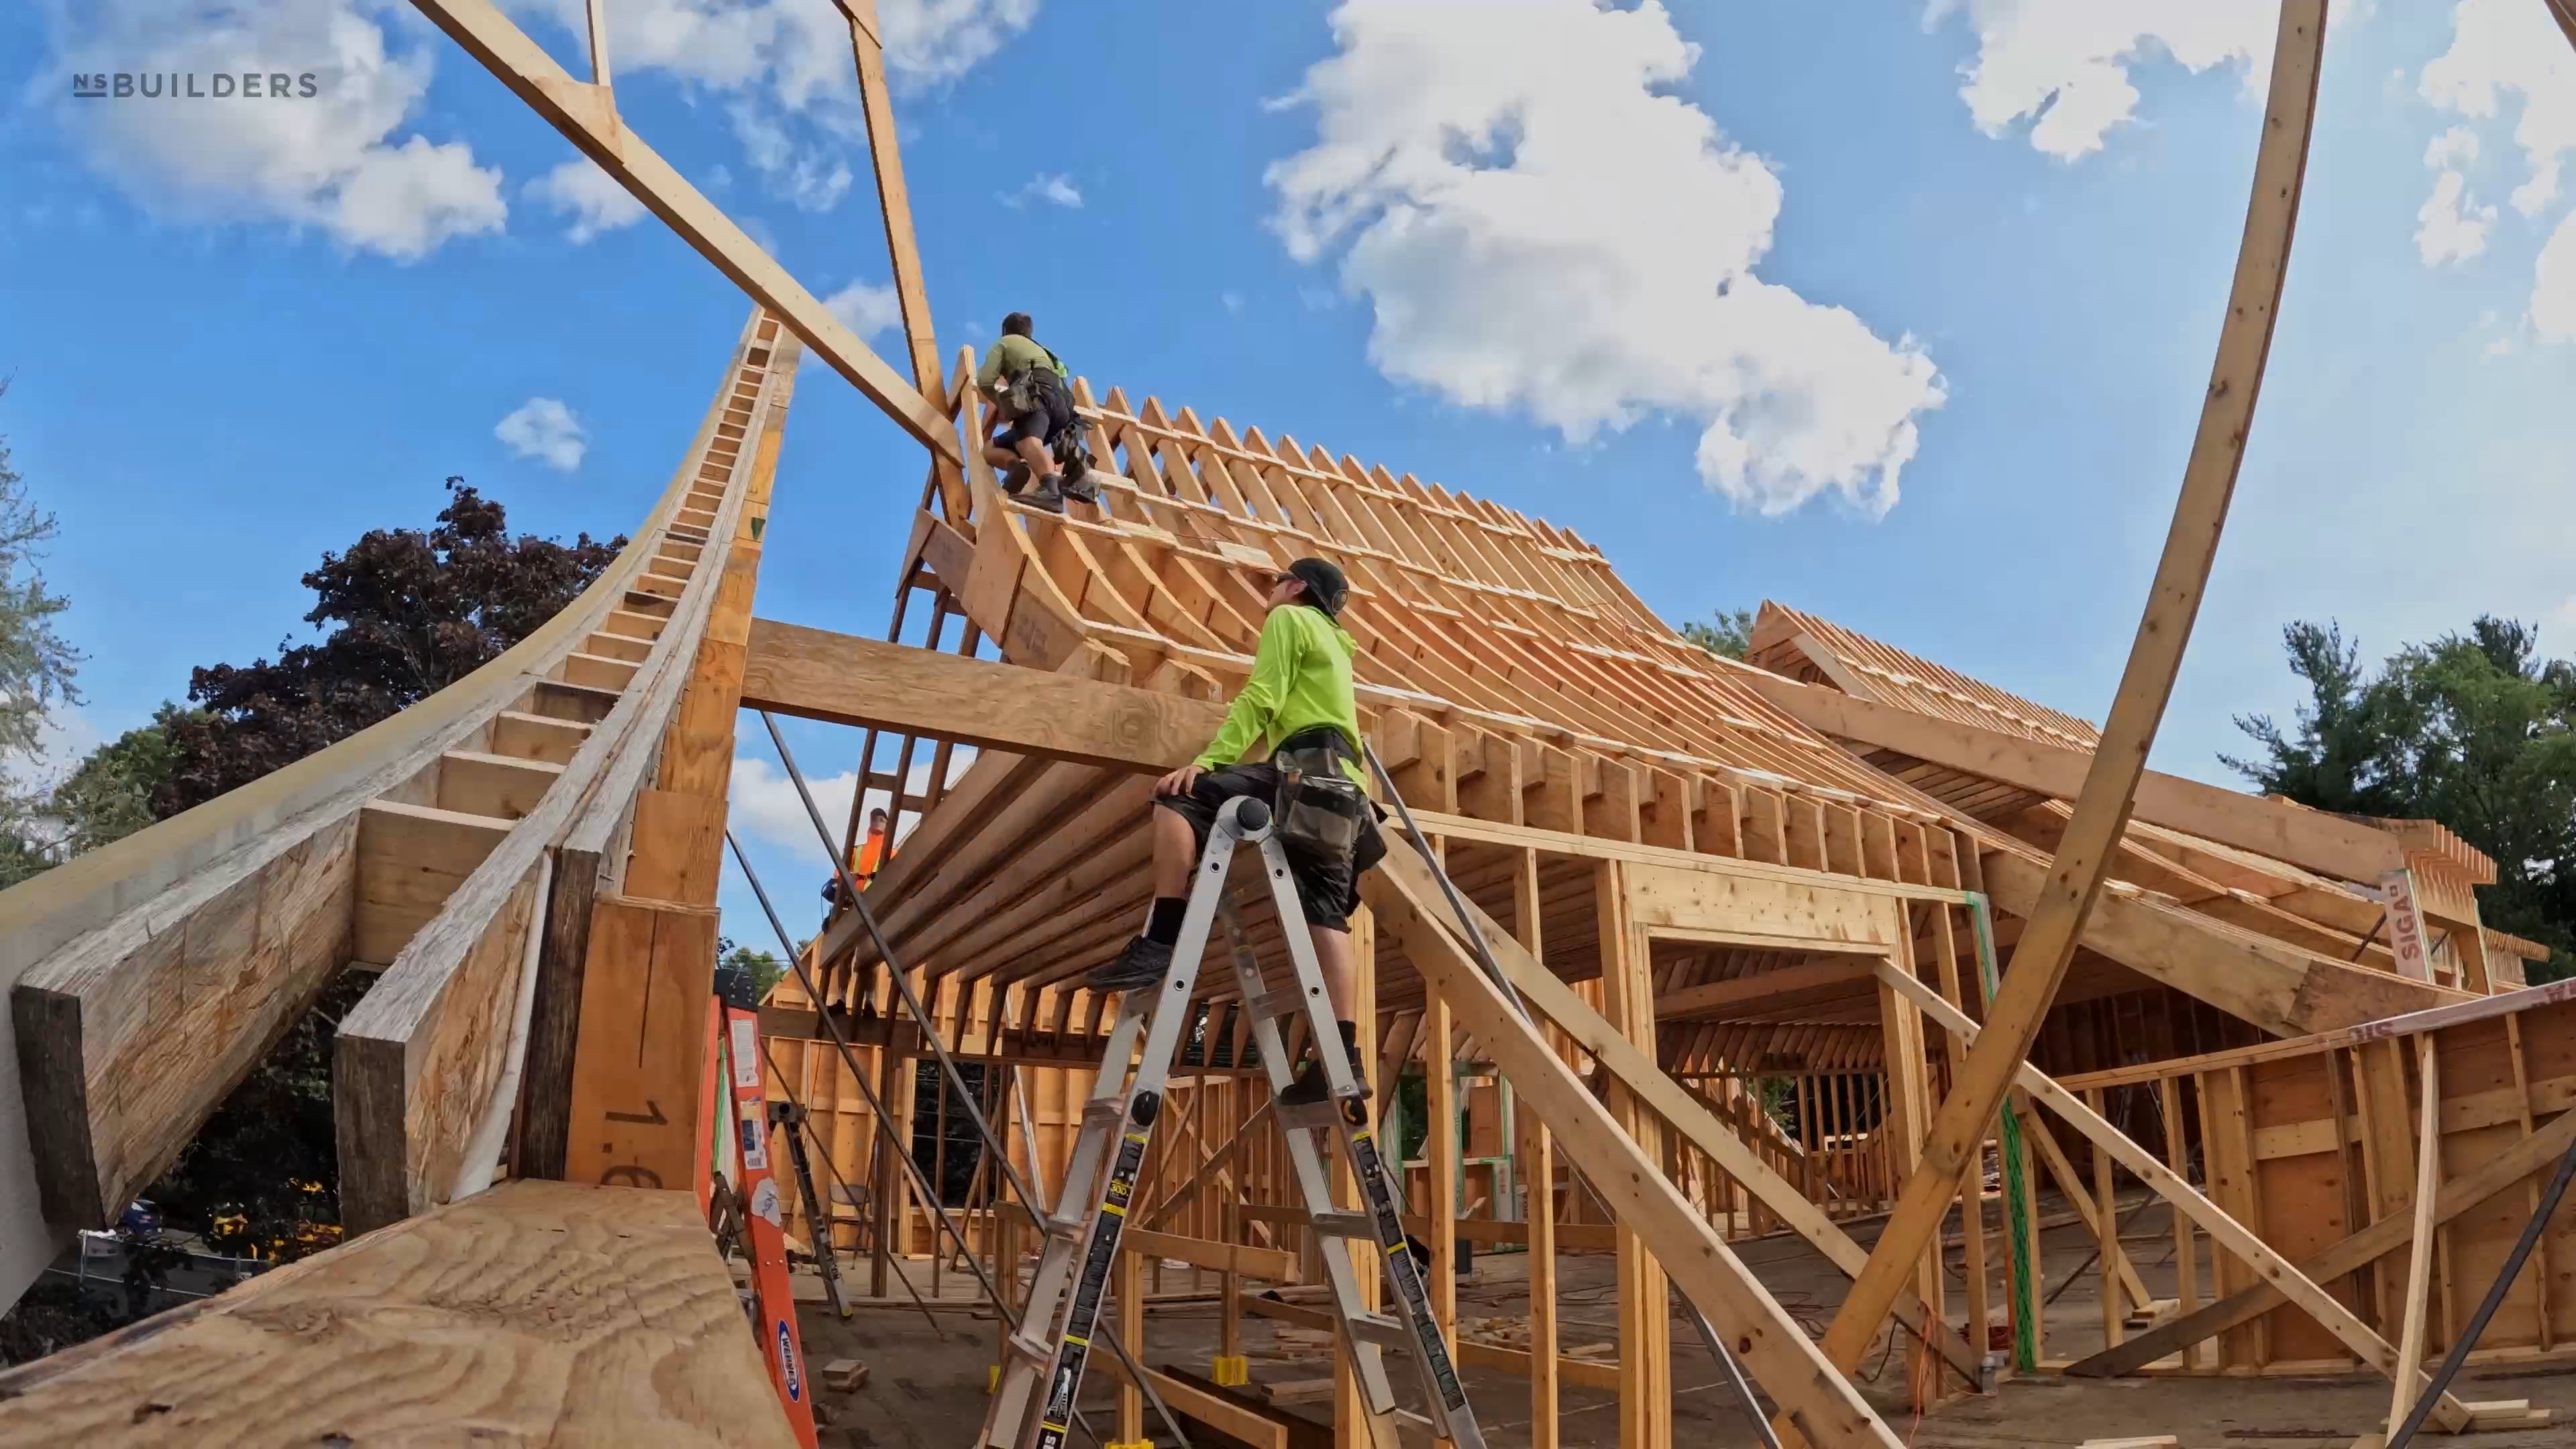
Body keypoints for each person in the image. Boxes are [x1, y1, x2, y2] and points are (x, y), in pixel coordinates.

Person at [1085, 557, 1384, 1105]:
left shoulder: (1288, 621)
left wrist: (1209, 760)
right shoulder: (1336, 642)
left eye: (1277, 584)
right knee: (1327, 916)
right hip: (1345, 791)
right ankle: (1343, 1060)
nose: (1268, 594)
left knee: (1179, 799)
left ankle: (1160, 940)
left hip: (1303, 773)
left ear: (1295, 589)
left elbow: (1262, 696)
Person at [975, 312, 1093, 514]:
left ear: (1005, 331)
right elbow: (1062, 374)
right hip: (1063, 406)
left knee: (1028, 442)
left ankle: (1051, 492)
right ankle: (1015, 467)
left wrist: (1001, 402)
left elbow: (985, 380)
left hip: (1037, 395)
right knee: (990, 449)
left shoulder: (1004, 343)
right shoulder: (1044, 352)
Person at [821, 806, 892, 917]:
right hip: (855, 905)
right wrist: (849, 877)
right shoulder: (856, 851)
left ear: (888, 825)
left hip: (877, 903)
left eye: (882, 820)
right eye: (874, 819)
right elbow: (838, 873)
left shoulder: (892, 852)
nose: (877, 822)